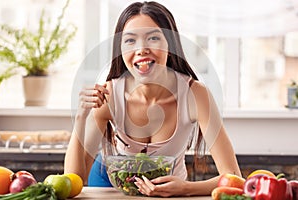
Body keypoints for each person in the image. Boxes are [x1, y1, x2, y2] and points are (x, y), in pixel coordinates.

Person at [64, 1, 241, 197]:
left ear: (170, 44)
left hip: (172, 195)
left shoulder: (195, 95)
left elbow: (233, 176)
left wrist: (185, 188)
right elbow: (72, 181)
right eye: (130, 40)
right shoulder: (110, 95)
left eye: (153, 38)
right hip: (118, 190)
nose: (141, 49)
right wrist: (80, 117)